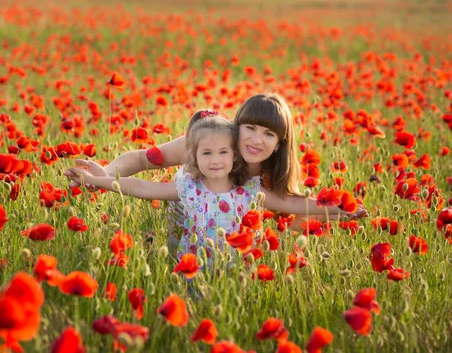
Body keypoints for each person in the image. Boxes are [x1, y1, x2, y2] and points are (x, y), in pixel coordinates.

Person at [65, 93, 368, 252]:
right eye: (249, 129)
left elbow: (290, 203)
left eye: (268, 134)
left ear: (279, 144)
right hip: (185, 230)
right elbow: (143, 161)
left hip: (227, 250)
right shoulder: (209, 143)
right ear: (236, 128)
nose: (256, 140)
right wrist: (102, 176)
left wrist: (339, 209)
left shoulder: (264, 178)